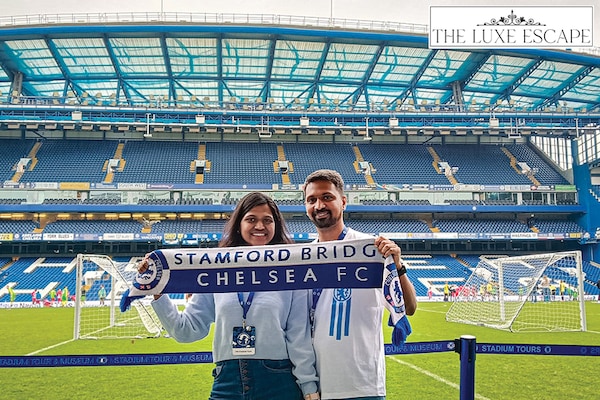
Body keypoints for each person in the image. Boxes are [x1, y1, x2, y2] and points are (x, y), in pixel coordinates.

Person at [146, 192, 319, 400]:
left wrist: (309, 385)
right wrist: (157, 292)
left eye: (267, 220)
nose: (260, 226)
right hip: (227, 381)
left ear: (276, 226)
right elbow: (187, 330)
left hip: (278, 380)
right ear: (239, 224)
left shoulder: (290, 270)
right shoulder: (215, 269)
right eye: (251, 219)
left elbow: (298, 336)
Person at [302, 169, 417, 400]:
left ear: (343, 202)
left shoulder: (371, 249)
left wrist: (398, 266)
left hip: (361, 386)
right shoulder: (302, 256)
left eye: (327, 197)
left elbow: (409, 307)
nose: (319, 205)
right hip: (313, 387)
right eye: (311, 200)